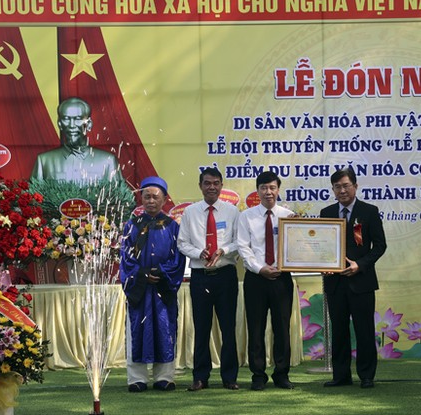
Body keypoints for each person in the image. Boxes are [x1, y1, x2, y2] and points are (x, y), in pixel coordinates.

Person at [321, 168, 387, 389]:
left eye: (346, 185)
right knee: (338, 330)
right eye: (337, 187)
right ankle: (341, 376)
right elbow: (322, 247)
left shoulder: (369, 211)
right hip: (335, 284)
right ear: (333, 189)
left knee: (364, 330)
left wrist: (360, 265)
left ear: (355, 186)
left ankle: (366, 375)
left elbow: (380, 246)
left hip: (362, 282)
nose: (342, 190)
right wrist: (322, 264)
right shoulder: (327, 212)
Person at [178, 167, 241, 391]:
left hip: (225, 276)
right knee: (201, 328)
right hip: (200, 276)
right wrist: (198, 253)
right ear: (200, 186)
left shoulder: (232, 212)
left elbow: (238, 242)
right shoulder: (190, 212)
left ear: (221, 186)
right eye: (207, 183)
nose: (211, 187)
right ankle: (200, 377)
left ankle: (230, 377)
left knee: (228, 328)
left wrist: (223, 250)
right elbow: (182, 243)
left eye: (216, 183)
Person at [120, 176, 185, 392]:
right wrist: (142, 274)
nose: (150, 201)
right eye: (146, 196)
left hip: (162, 288)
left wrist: (161, 273)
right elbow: (126, 258)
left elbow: (178, 258)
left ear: (165, 199)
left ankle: (164, 377)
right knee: (137, 329)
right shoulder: (132, 226)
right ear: (141, 198)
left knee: (165, 329)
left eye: (155, 197)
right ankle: (136, 378)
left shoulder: (173, 227)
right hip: (139, 288)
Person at [237, 171, 295, 391]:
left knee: (282, 328)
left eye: (272, 187)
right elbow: (243, 247)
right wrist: (260, 268)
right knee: (256, 327)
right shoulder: (246, 216)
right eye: (264, 188)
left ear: (278, 189)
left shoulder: (289, 216)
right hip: (256, 279)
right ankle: (258, 375)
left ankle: (281, 374)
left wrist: (281, 266)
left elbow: (295, 248)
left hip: (282, 278)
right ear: (258, 191)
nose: (268, 192)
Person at [31, 97, 121, 183]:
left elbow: (119, 197)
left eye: (78, 119)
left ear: (89, 124)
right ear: (59, 124)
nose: (72, 125)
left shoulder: (108, 161)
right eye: (66, 119)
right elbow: (34, 197)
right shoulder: (44, 161)